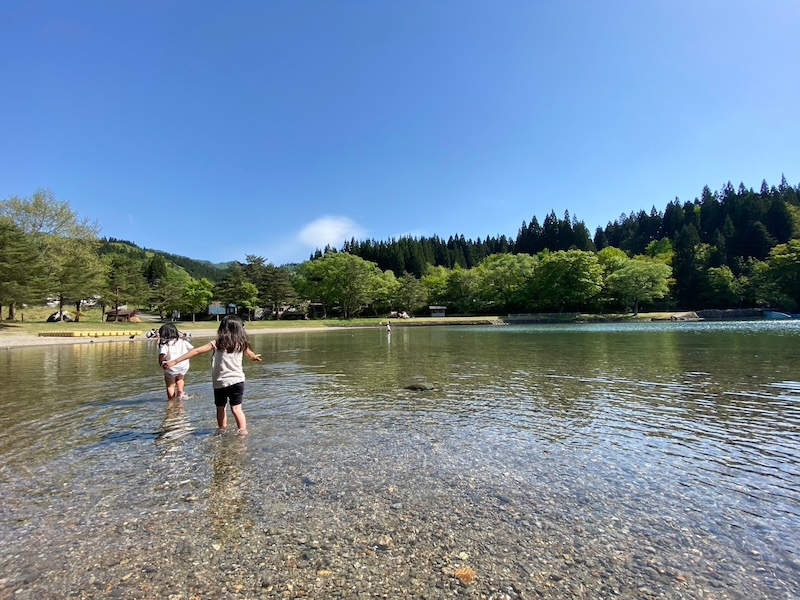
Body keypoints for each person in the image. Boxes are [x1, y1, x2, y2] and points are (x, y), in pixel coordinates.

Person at [163, 314, 261, 435]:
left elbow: (196, 351)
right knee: (236, 408)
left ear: (222, 329)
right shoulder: (241, 343)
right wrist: (254, 357)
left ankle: (222, 430)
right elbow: (250, 354)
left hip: (220, 383)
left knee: (221, 408)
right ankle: (243, 432)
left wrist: (175, 361)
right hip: (238, 381)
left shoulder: (217, 343)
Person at [158, 323, 194, 400]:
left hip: (171, 366)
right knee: (180, 379)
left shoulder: (165, 344)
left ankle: (171, 401)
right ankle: (180, 392)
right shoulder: (182, 341)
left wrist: (161, 363)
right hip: (183, 365)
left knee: (170, 385)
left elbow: (162, 354)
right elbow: (191, 349)